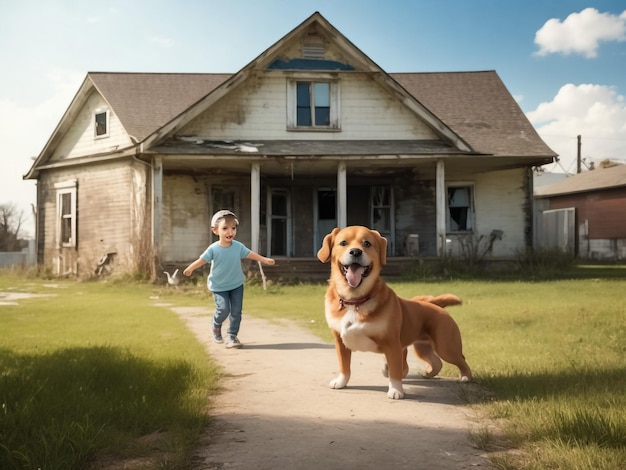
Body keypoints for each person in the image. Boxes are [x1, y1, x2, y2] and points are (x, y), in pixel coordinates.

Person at [183, 210, 275, 349]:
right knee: (223, 309)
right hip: (219, 286)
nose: (229, 232)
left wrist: (264, 260)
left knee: (236, 311)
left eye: (233, 228)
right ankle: (216, 324)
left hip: (236, 284)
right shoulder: (213, 249)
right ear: (215, 230)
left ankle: (231, 336)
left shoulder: (238, 246)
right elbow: (202, 260)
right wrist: (190, 268)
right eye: (225, 228)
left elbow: (250, 254)